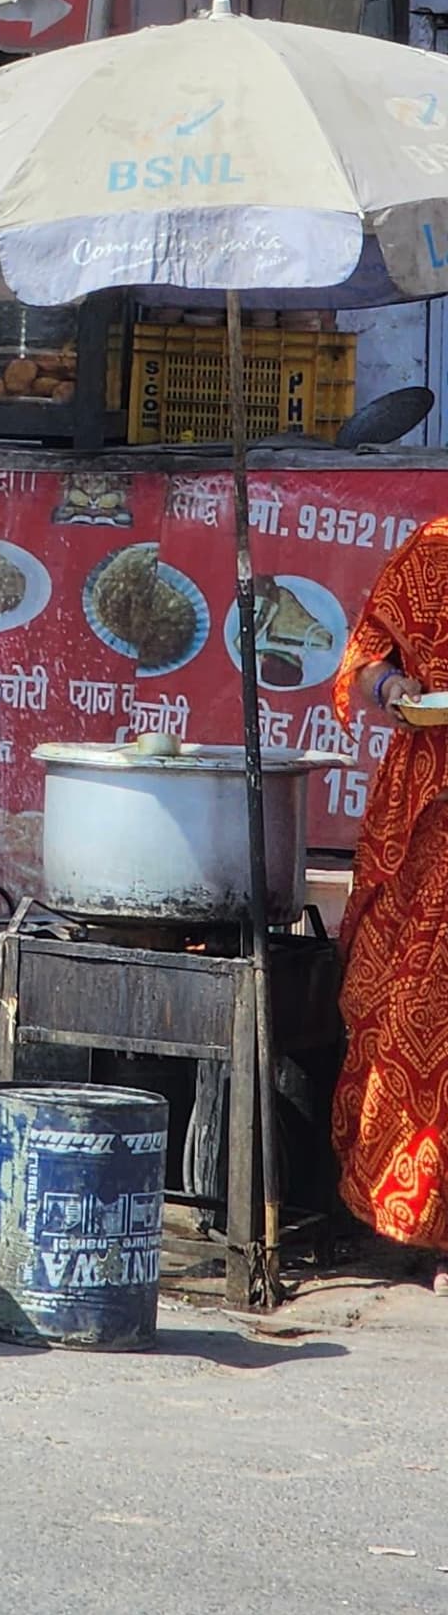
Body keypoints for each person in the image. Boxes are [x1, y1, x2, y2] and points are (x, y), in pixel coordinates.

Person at [329, 522, 448, 1277]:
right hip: (425, 817)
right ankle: (428, 1224)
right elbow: (365, 660)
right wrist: (396, 689)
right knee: (409, 1009)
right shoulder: (433, 549)